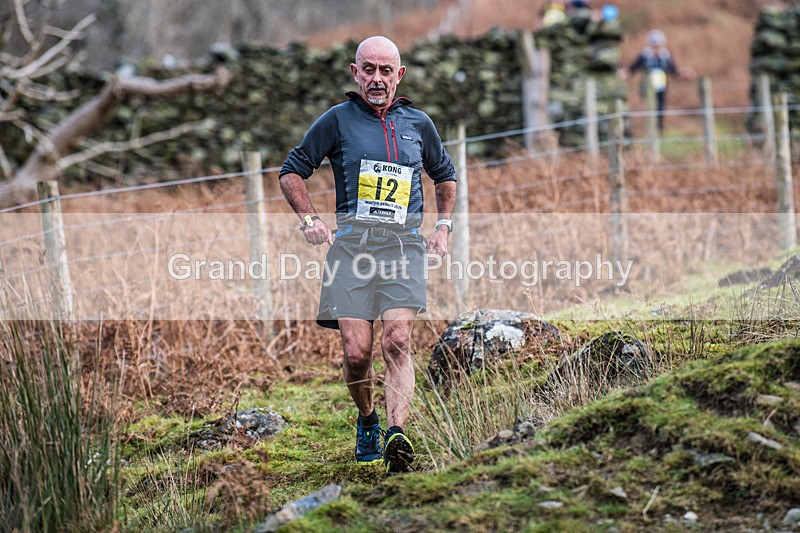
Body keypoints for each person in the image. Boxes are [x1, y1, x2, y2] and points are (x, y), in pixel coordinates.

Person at [278, 36, 457, 473]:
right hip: (351, 250)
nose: (377, 78)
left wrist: (443, 227)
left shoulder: (418, 123)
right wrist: (310, 220)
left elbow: (445, 175)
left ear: (400, 75)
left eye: (385, 70)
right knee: (357, 353)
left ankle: (397, 434)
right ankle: (368, 420)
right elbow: (291, 171)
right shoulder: (337, 120)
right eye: (369, 69)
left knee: (397, 341)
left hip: (403, 248)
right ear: (355, 73)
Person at [618, 29, 695, 132]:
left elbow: (673, 71)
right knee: (650, 108)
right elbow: (633, 69)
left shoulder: (666, 56)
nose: (657, 47)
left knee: (660, 108)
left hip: (662, 88)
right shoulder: (644, 55)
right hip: (647, 88)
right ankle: (651, 129)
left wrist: (683, 73)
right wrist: (623, 74)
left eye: (659, 45)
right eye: (655, 45)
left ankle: (659, 129)